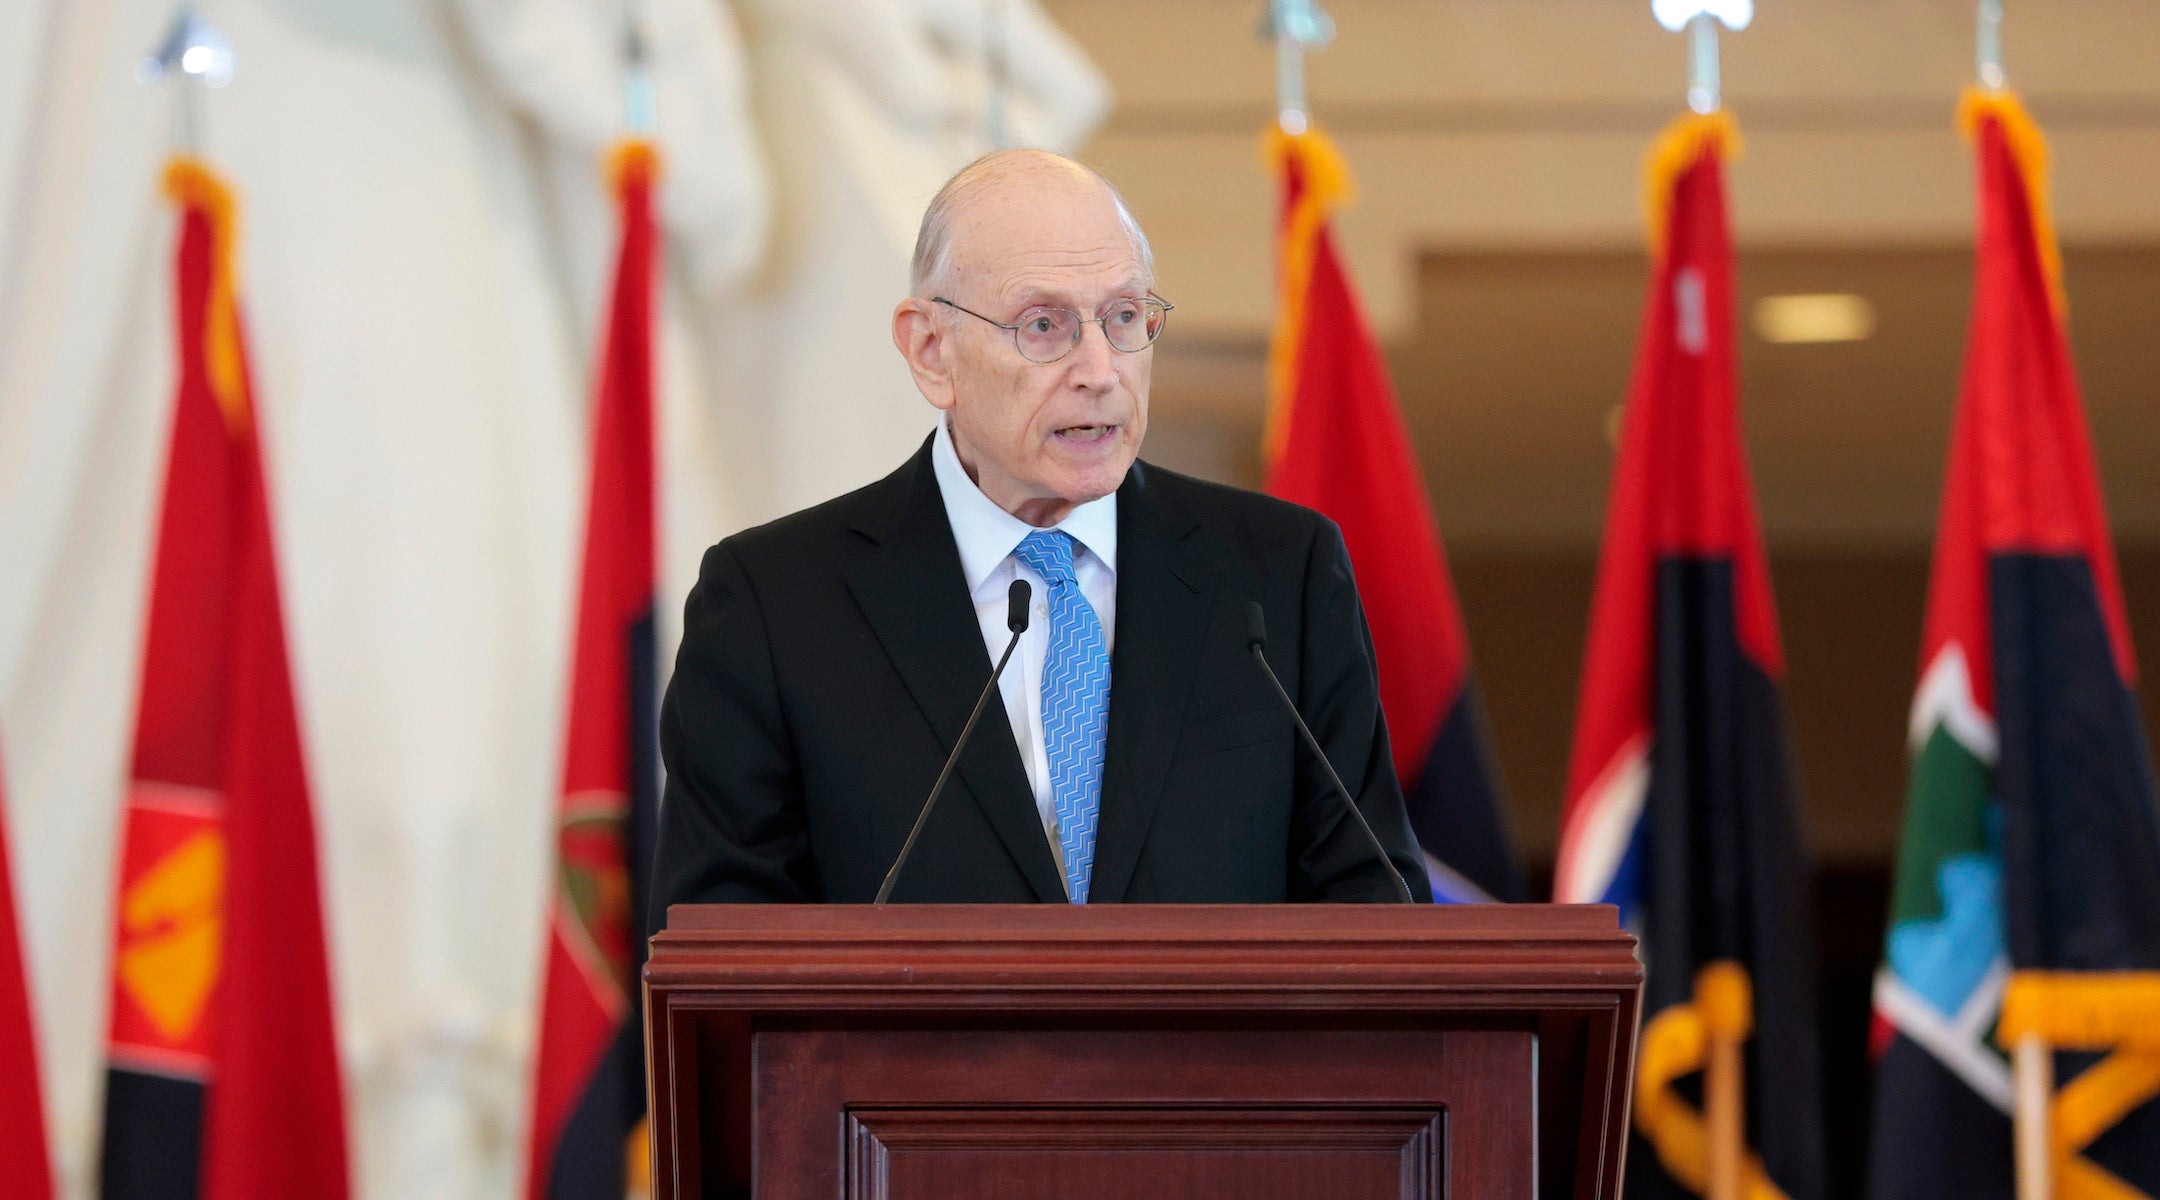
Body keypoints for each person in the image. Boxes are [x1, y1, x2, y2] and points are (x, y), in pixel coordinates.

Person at [652, 149, 1431, 907]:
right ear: (931, 351)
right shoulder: (775, 606)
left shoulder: (1280, 578)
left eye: (1124, 316)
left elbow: (1375, 907)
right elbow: (722, 964)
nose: (1101, 369)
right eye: (1045, 325)